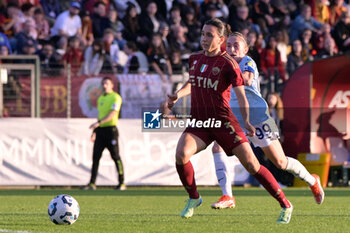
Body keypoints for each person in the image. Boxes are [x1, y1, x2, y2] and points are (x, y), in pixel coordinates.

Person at [167, 18, 293, 224]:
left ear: (221, 39)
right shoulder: (195, 59)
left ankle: (285, 204)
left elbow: (242, 95)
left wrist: (247, 121)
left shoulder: (229, 64)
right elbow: (194, 82)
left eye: (210, 35)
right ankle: (194, 198)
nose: (204, 38)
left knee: (253, 164)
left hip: (224, 121)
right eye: (202, 34)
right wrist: (177, 95)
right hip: (201, 122)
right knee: (181, 155)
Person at [209, 32, 325, 212]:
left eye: (236, 45)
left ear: (245, 49)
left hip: (258, 118)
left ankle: (312, 180)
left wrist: (228, 72)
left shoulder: (247, 62)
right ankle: (228, 196)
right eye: (228, 45)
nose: (231, 49)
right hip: (234, 118)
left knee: (280, 162)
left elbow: (246, 80)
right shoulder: (222, 65)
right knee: (217, 147)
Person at [83, 77, 126, 191]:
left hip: (111, 130)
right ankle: (92, 183)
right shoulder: (100, 98)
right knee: (95, 158)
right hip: (100, 131)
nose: (104, 85)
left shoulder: (116, 97)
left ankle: (121, 183)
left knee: (116, 156)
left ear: (112, 85)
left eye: (107, 83)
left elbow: (112, 114)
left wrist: (98, 123)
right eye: (103, 84)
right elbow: (100, 115)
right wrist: (95, 131)